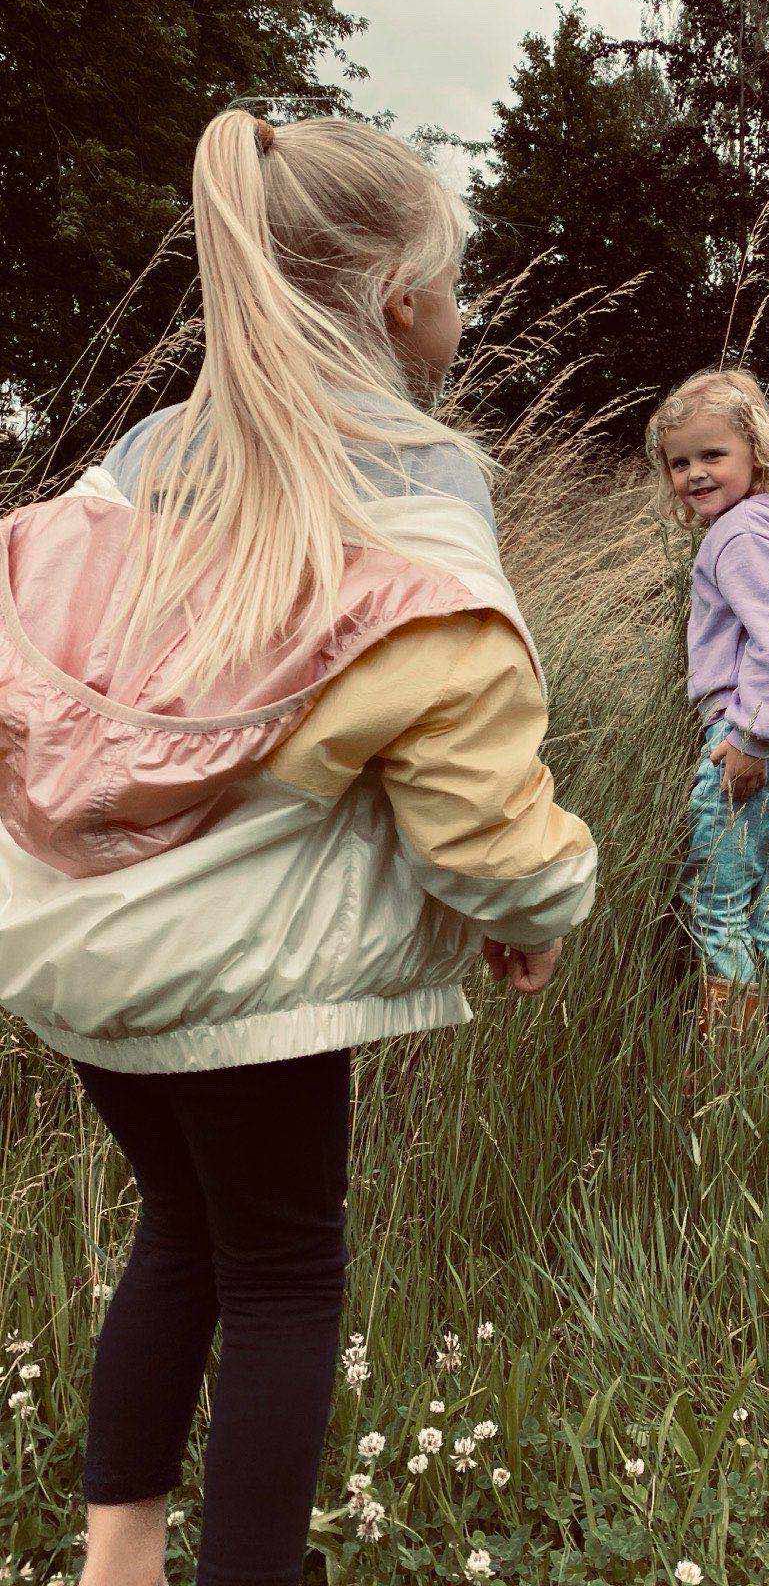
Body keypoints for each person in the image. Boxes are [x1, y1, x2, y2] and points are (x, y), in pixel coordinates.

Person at [0, 109, 596, 1586]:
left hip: (75, 945)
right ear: (397, 301)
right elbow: (470, 787)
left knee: (181, 1235)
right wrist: (536, 904)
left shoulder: (143, 457)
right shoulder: (412, 483)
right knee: (282, 1274)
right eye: (454, 282)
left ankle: (119, 1563)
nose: (462, 311)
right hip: (239, 977)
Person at [645, 368, 769, 1053]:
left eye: (713, 455)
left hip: (761, 734)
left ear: (756, 452)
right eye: (679, 463)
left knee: (717, 905)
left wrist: (752, 737)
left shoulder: (736, 535)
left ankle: (731, 1059)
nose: (695, 473)